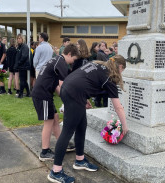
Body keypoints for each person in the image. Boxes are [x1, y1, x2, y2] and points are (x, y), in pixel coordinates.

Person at [48, 55, 129, 183]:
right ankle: (56, 171)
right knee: (67, 132)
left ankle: (80, 160)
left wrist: (84, 99)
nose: (121, 73)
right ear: (119, 67)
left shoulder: (97, 64)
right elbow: (118, 107)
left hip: (69, 89)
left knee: (81, 126)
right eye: (122, 70)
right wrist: (124, 126)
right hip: (74, 94)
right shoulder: (109, 77)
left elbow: (83, 79)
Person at [31, 43, 79, 161]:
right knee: (49, 121)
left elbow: (57, 85)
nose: (72, 62)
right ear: (69, 54)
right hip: (43, 95)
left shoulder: (56, 60)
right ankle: (44, 152)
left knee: (55, 117)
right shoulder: (61, 63)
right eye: (73, 59)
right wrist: (70, 102)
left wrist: (64, 99)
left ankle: (62, 143)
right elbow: (64, 86)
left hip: (44, 93)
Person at [14, 34, 30, 98]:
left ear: (23, 39)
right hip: (21, 65)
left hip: (24, 66)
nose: (18, 40)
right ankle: (28, 93)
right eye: (17, 38)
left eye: (20, 38)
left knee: (22, 80)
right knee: (23, 80)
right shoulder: (19, 46)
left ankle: (20, 94)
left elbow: (24, 56)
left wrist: (18, 63)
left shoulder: (24, 46)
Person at [95, 41, 109, 107]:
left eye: (104, 46)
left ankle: (100, 103)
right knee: (102, 89)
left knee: (102, 89)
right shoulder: (100, 53)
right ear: (100, 47)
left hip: (103, 72)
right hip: (101, 72)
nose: (104, 47)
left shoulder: (103, 53)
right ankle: (99, 103)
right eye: (102, 46)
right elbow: (106, 62)